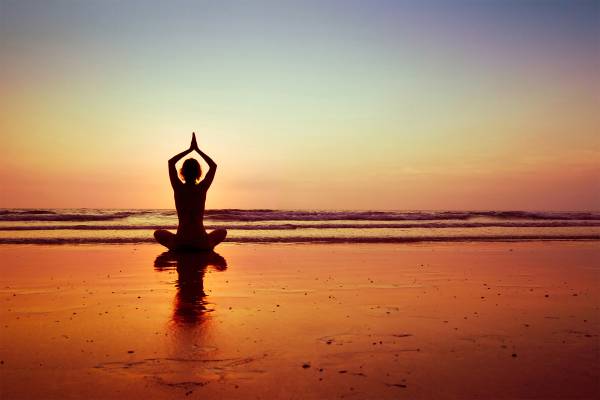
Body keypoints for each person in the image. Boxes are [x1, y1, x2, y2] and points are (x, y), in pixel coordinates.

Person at [154, 133, 227, 251]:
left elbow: (171, 162)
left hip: (180, 243)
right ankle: (207, 246)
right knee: (222, 231)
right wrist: (197, 150)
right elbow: (213, 166)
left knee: (158, 233)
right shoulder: (202, 188)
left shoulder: (178, 187)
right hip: (201, 243)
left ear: (182, 172)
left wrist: (189, 150)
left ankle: (177, 247)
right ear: (199, 173)